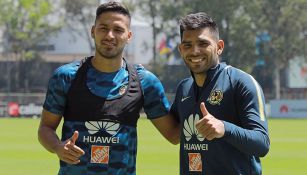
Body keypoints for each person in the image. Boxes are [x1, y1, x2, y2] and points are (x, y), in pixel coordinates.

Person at [38, 1, 179, 175]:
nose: (110, 35)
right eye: (103, 28)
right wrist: (57, 146)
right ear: (93, 31)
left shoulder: (145, 82)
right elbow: (45, 128)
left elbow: (173, 134)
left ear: (129, 35)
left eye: (118, 30)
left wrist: (210, 110)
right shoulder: (66, 76)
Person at [170, 12, 270, 174]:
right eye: (187, 45)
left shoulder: (241, 82)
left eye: (203, 43)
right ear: (181, 50)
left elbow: (262, 144)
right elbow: (172, 132)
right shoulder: (184, 88)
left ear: (219, 47)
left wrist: (224, 128)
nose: (195, 51)